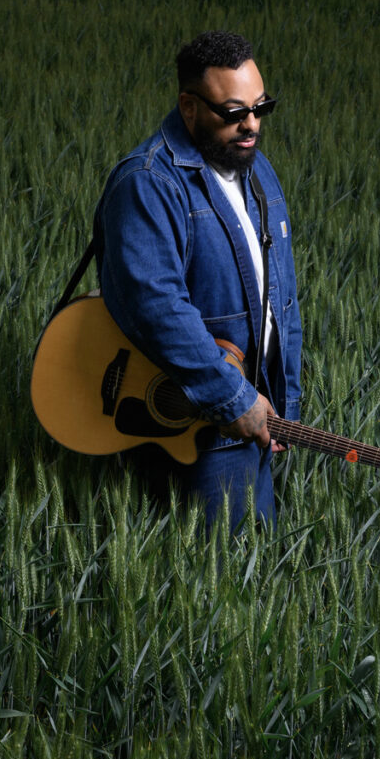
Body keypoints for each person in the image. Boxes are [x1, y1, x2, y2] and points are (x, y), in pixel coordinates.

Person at [93, 31, 302, 530]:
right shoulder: (148, 183)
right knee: (224, 567)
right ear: (189, 107)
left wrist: (284, 404)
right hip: (198, 429)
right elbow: (156, 308)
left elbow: (281, 301)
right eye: (234, 113)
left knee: (259, 561)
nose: (252, 125)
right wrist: (235, 399)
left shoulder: (256, 170)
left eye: (261, 107)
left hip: (258, 417)